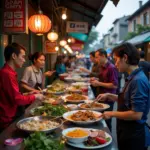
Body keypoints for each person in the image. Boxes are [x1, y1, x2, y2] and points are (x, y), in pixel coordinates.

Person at [95, 43, 150, 150]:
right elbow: (127, 101)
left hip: (134, 136)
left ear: (125, 58)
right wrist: (110, 95)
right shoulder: (133, 77)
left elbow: (137, 114)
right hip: (126, 131)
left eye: (116, 59)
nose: (115, 64)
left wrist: (111, 113)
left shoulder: (138, 80)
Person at [0, 43, 44, 131]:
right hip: (7, 119)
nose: (24, 60)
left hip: (10, 115)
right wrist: (36, 96)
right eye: (23, 57)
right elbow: (17, 100)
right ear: (14, 56)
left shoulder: (9, 72)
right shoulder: (7, 74)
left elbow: (12, 95)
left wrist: (27, 93)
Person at [90, 49, 118, 130]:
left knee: (107, 122)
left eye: (97, 57)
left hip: (108, 99)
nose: (96, 59)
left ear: (103, 56)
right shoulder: (101, 66)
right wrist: (95, 79)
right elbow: (103, 80)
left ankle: (108, 139)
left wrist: (98, 83)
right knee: (100, 120)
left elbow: (114, 85)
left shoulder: (111, 68)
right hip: (101, 96)